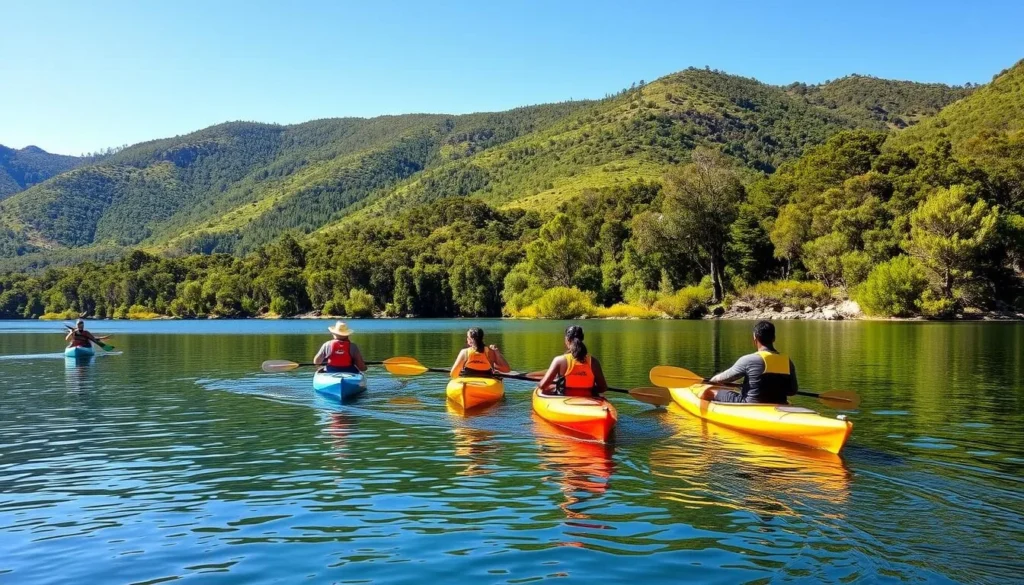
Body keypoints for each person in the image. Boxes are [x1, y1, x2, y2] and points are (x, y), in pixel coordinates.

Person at [702, 320, 798, 404]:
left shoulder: (749, 359)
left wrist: (710, 381)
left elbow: (723, 378)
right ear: (774, 338)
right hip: (779, 403)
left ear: (755, 338)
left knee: (711, 392)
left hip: (750, 404)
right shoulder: (787, 361)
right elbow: (792, 391)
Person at [537, 325, 608, 397]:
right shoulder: (594, 362)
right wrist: (591, 388)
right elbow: (603, 388)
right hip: (588, 401)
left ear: (567, 340)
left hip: (564, 400)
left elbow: (542, 385)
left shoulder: (559, 360)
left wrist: (553, 384)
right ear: (582, 339)